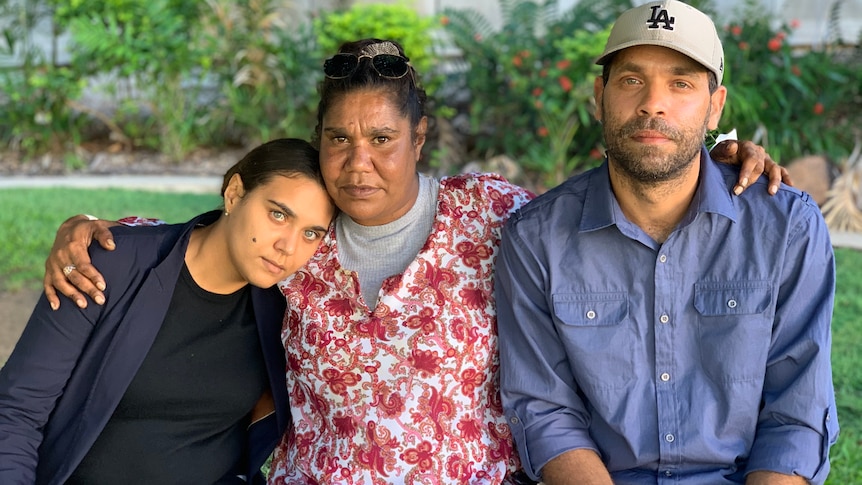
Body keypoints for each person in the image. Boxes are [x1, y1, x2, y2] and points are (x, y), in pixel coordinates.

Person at [41, 38, 786, 484]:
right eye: (338, 139)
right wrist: (87, 229)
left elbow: (615, 198)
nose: (358, 163)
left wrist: (715, 157)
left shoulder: (496, 215)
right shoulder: (300, 235)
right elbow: (197, 239)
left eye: (382, 140)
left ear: (420, 138)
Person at [494, 2, 839, 484]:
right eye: (632, 80)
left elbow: (796, 416)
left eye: (681, 84)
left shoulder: (786, 228)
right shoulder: (536, 238)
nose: (653, 103)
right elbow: (547, 414)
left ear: (715, 106)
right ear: (600, 96)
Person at [0, 138, 335, 485]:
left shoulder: (288, 308)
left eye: (311, 233)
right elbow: (17, 411)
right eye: (278, 214)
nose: (289, 247)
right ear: (234, 194)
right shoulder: (105, 266)